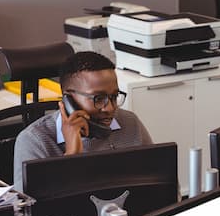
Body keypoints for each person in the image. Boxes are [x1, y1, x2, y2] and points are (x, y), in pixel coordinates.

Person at [13, 51, 153, 191]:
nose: (110, 108)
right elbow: (32, 209)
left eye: (114, 97)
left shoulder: (130, 122)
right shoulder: (34, 141)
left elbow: (159, 183)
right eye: (98, 99)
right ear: (68, 99)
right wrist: (72, 156)